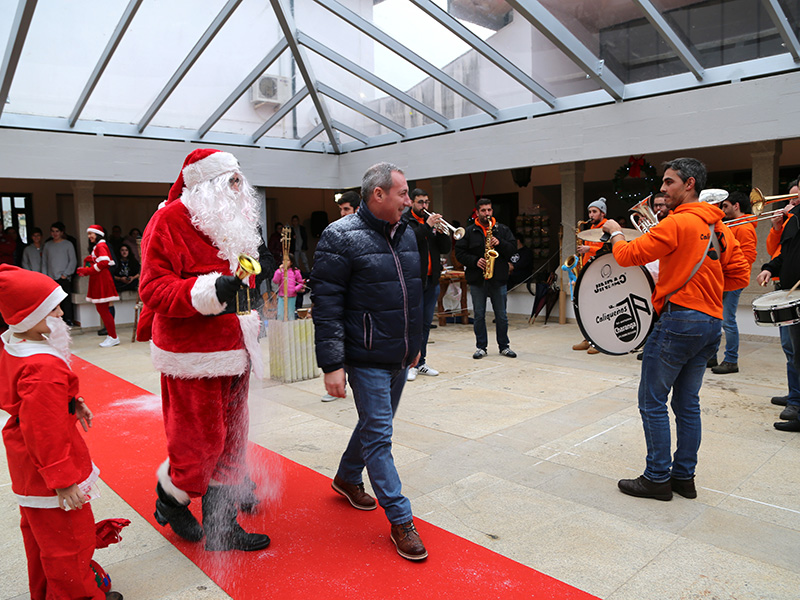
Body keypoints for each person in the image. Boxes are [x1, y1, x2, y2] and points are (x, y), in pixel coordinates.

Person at [138, 148, 269, 552]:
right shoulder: (169, 220)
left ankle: (222, 528)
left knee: (231, 442)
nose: (238, 186)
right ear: (205, 184)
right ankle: (171, 500)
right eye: (229, 179)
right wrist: (210, 290)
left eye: (238, 178)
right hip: (192, 357)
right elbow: (153, 289)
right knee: (197, 446)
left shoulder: (236, 220)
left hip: (236, 347)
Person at [602, 157, 749, 501]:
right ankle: (684, 477)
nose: (663, 189)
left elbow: (627, 256)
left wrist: (616, 232)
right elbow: (740, 275)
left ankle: (656, 478)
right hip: (711, 323)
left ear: (690, 185)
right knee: (687, 404)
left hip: (680, 319)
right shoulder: (720, 227)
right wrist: (706, 286)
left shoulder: (677, 223)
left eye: (669, 183)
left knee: (651, 401)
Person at [311, 162, 427, 561]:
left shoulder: (408, 232)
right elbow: (326, 306)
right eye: (404, 194)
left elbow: (415, 295)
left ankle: (346, 478)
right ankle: (401, 518)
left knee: (374, 425)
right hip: (364, 357)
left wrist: (416, 345)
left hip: (399, 353)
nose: (409, 201)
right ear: (378, 194)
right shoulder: (339, 237)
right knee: (379, 436)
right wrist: (332, 364)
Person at [0, 265, 124, 600]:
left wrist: (73, 401)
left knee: (41, 537)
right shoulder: (43, 366)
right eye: (50, 306)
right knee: (68, 542)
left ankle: (45, 592)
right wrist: (62, 478)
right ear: (30, 315)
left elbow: (35, 404)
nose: (58, 311)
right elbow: (44, 429)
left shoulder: (15, 342)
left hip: (27, 465)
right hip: (47, 469)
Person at [757, 190, 800, 431]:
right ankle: (795, 398)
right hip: (788, 292)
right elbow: (783, 253)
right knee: (792, 350)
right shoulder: (793, 221)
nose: (793, 198)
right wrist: (768, 267)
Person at [455, 197, 518, 359]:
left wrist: (500, 243)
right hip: (478, 279)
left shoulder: (502, 229)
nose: (486, 213)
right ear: (477, 212)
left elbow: (512, 250)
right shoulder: (469, 231)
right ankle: (481, 347)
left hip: (498, 278)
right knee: (479, 315)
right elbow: (460, 254)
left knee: (502, 316)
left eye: (489, 210)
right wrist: (476, 261)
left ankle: (504, 346)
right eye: (483, 211)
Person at [708, 191, 757, 374]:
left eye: (726, 206)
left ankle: (731, 360)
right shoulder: (732, 225)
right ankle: (712, 356)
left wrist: (726, 266)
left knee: (727, 321)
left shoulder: (744, 227)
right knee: (716, 318)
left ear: (736, 206)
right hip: (724, 278)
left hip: (733, 279)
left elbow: (749, 256)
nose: (722, 209)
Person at [404, 188, 451, 381]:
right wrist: (427, 226)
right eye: (420, 202)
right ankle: (409, 364)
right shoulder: (405, 221)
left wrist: (441, 232)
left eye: (426, 202)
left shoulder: (431, 223)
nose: (424, 206)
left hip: (431, 281)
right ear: (412, 203)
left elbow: (445, 248)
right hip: (414, 280)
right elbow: (407, 240)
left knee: (425, 324)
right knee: (412, 325)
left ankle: (421, 362)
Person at [572, 198, 609, 355]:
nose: (591, 214)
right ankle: (588, 338)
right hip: (588, 271)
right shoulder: (590, 229)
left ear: (602, 213)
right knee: (588, 308)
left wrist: (589, 249)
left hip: (601, 271)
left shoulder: (607, 227)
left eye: (594, 211)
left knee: (601, 307)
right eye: (590, 211)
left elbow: (608, 249)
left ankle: (601, 341)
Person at [76, 226, 120, 348]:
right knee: (103, 310)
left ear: (98, 234)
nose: (89, 236)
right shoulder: (99, 246)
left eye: (91, 233)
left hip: (101, 279)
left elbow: (104, 262)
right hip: (100, 279)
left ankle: (113, 337)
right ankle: (112, 336)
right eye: (88, 234)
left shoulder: (100, 246)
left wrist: (88, 270)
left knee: (103, 310)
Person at [42, 222, 77, 326]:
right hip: (51, 278)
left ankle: (68, 319)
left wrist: (66, 274)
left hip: (64, 277)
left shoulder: (68, 244)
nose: (55, 233)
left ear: (62, 232)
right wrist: (45, 276)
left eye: (57, 231)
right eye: (52, 231)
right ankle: (56, 320)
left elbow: (73, 261)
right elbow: (44, 262)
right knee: (53, 301)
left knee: (66, 299)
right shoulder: (47, 245)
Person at [272, 253, 305, 320]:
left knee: (290, 314)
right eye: (284, 260)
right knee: (280, 314)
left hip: (291, 296)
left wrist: (295, 289)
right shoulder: (279, 271)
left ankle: (291, 328)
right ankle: (280, 328)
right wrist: (279, 271)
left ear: (291, 262)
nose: (285, 262)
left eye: (287, 260)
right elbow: (275, 281)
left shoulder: (295, 271)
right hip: (282, 296)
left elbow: (300, 283)